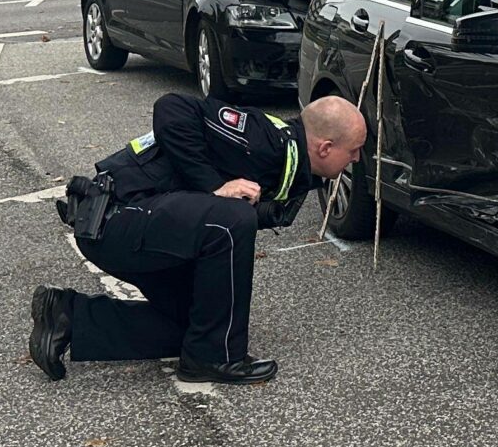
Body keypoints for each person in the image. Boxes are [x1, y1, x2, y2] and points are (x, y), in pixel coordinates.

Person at [29, 91, 368, 386]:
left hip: (139, 226)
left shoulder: (291, 166)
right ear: (325, 147)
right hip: (113, 220)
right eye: (354, 150)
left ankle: (66, 316)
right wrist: (213, 187)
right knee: (233, 219)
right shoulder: (265, 139)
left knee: (197, 327)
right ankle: (216, 357)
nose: (356, 159)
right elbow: (171, 108)